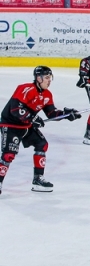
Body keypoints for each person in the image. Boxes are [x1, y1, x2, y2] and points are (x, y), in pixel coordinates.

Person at [0, 66, 81, 195]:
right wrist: (32, 118)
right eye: (47, 78)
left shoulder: (47, 94)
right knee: (8, 155)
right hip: (11, 125)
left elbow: (51, 113)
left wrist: (66, 114)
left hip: (27, 125)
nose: (49, 81)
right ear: (38, 78)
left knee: (42, 144)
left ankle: (38, 179)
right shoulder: (25, 88)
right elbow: (15, 109)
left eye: (50, 78)